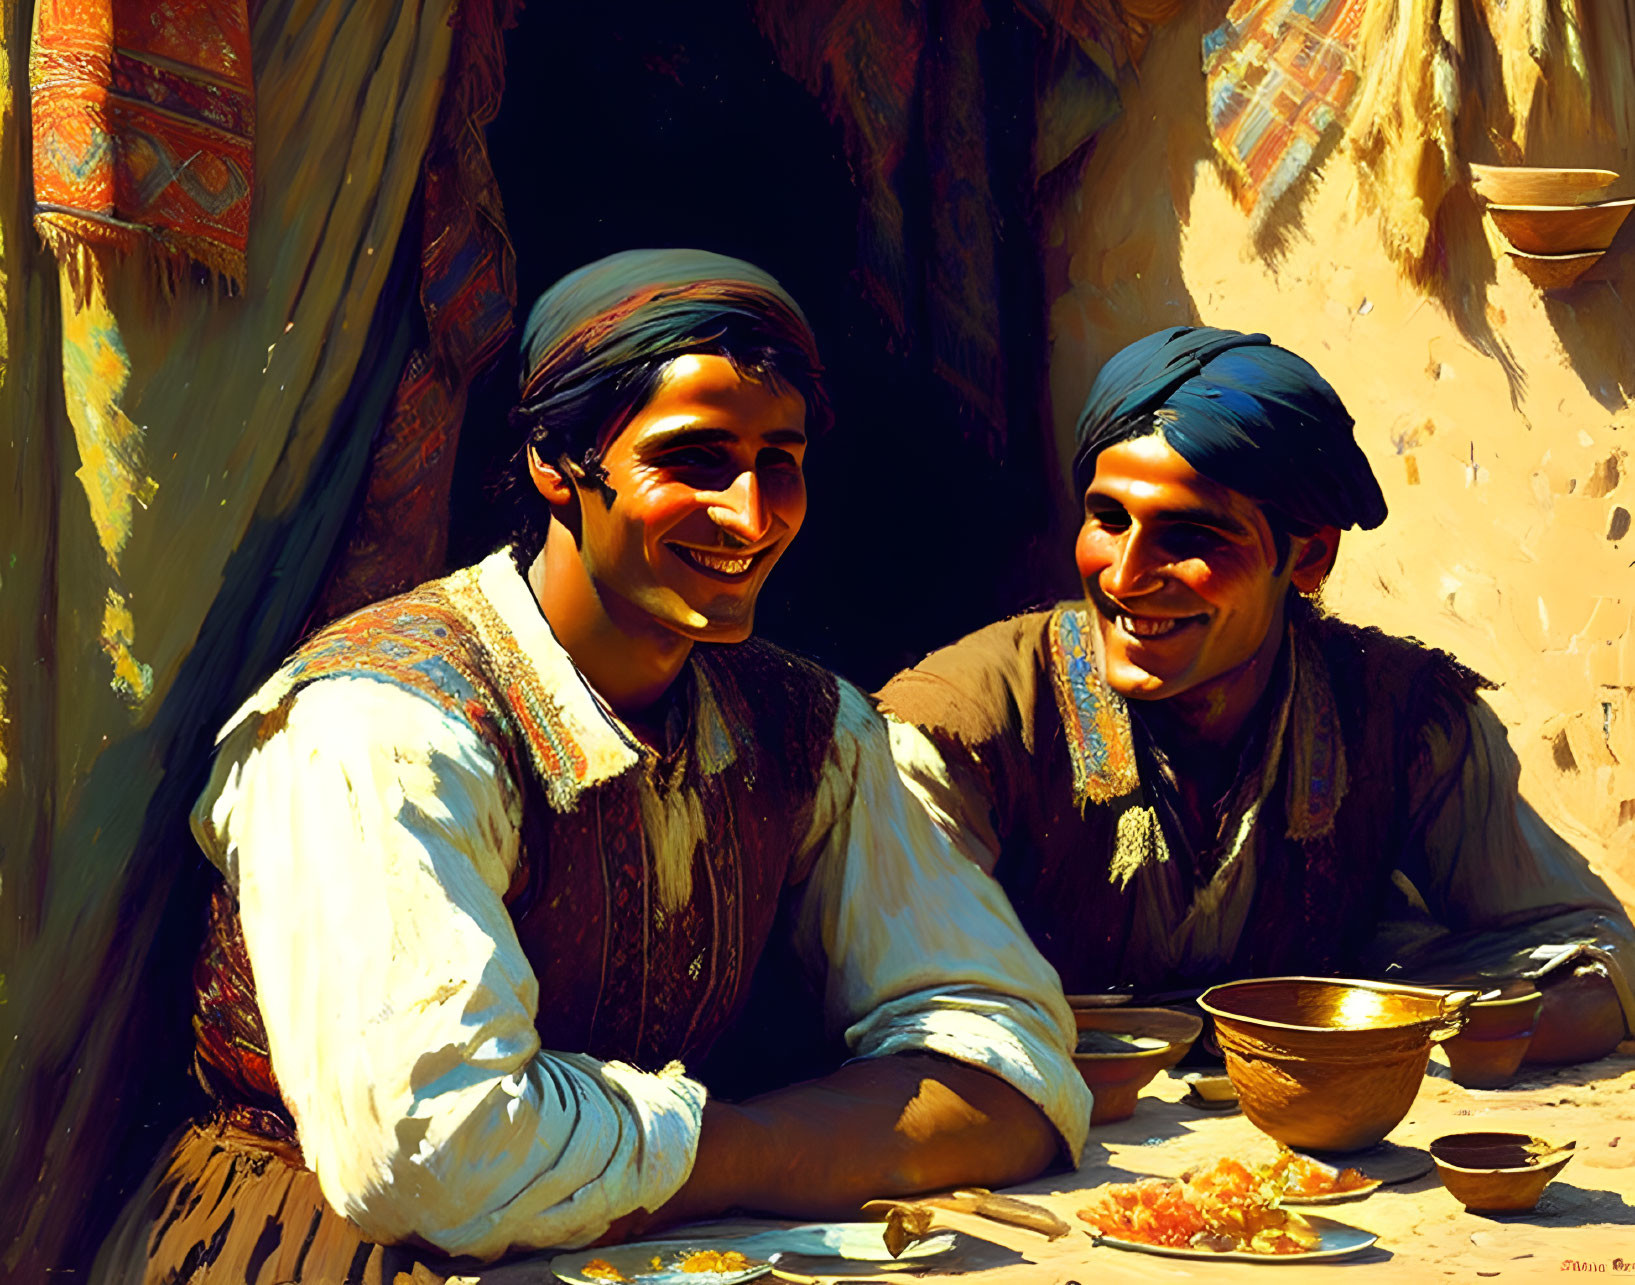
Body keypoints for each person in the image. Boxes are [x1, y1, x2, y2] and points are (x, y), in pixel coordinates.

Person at [95, 250, 1089, 1281]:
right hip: (334, 1252)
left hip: (658, 1242)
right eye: (694, 460)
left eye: (778, 463)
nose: (752, 517)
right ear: (557, 465)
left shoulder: (807, 725)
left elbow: (1013, 1062)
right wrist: (767, 1147)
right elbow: (431, 1158)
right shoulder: (379, 725)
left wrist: (727, 1153)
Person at [878, 325, 1634, 1067]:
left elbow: (1591, 961)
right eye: (1108, 519)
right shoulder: (960, 727)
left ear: (1308, 556)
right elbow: (898, 1010)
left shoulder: (1406, 716)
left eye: (1190, 536)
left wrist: (1383, 1034)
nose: (1124, 575)